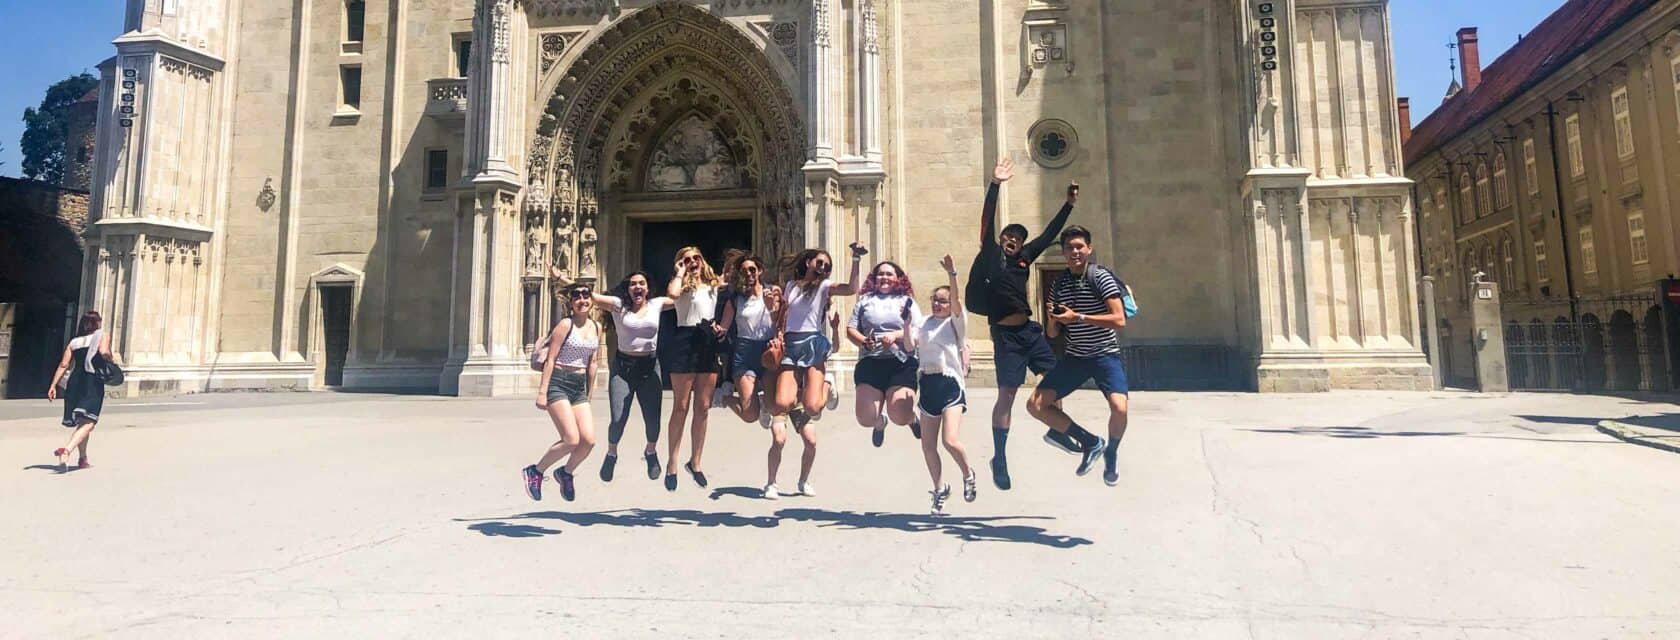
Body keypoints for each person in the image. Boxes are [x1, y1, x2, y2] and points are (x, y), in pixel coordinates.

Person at [963, 157, 1078, 491]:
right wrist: (995, 184)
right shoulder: (990, 255)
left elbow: (1050, 234)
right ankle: (999, 457)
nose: (1013, 240)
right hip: (1006, 336)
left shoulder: (1026, 257)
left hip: (1030, 330)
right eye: (1009, 236)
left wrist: (1068, 206)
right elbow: (987, 220)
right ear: (1000, 239)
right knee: (1008, 394)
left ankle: (1056, 430)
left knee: (1056, 379)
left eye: (1018, 237)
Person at [1027, 225, 1132, 485]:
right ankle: (1090, 442)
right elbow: (1052, 334)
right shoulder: (1059, 284)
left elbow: (1120, 320)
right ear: (1063, 252)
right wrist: (1054, 319)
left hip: (1105, 356)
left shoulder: (1101, 277)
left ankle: (1111, 454)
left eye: (1079, 247)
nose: (1074, 252)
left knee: (1120, 408)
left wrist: (1080, 317)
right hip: (1075, 357)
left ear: (1089, 249)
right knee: (1035, 405)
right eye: (1069, 248)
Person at [554, 267, 673, 484]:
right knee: (618, 418)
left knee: (653, 420)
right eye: (633, 284)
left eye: (641, 283)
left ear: (647, 288)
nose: (637, 287)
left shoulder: (657, 305)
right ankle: (611, 454)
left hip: (649, 368)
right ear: (627, 289)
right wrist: (560, 278)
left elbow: (684, 297)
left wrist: (710, 281)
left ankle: (650, 451)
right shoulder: (618, 306)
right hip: (623, 369)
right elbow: (589, 294)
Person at [765, 244, 864, 497]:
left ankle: (826, 385)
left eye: (827, 266)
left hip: (812, 342)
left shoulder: (824, 287)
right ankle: (773, 482)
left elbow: (852, 289)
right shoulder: (790, 286)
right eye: (819, 262)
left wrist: (855, 259)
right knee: (783, 401)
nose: (823, 267)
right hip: (790, 344)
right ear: (808, 262)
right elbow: (781, 318)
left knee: (812, 407)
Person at [902, 255, 977, 514]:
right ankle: (939, 490)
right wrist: (905, 325)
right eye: (935, 299)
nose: (937, 304)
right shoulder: (923, 323)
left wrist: (952, 274)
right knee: (927, 445)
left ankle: (968, 473)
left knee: (950, 440)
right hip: (928, 385)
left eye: (942, 301)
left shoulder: (955, 322)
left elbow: (957, 302)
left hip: (950, 384)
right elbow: (910, 346)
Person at [523, 283, 601, 502]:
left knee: (589, 440)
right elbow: (551, 359)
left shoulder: (596, 326)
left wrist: (589, 394)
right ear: (571, 302)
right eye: (577, 296)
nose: (582, 300)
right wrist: (542, 392)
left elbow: (593, 362)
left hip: (579, 386)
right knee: (571, 439)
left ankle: (565, 473)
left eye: (586, 295)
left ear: (592, 300)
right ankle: (535, 471)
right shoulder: (565, 325)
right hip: (559, 381)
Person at [662, 246, 724, 491]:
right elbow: (672, 294)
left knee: (704, 406)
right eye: (687, 259)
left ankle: (695, 462)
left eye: (696, 257)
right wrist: (679, 273)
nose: (693, 262)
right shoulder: (679, 286)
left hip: (706, 339)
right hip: (684, 340)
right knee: (681, 406)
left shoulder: (713, 285)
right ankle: (672, 462)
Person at [848, 260, 923, 447]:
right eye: (881, 274)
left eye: (889, 274)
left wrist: (896, 335)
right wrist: (864, 341)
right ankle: (880, 423)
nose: (885, 278)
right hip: (871, 361)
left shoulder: (907, 301)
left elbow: (919, 330)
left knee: (899, 414)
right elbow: (851, 329)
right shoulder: (865, 301)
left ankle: (912, 419)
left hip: (901, 361)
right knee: (866, 418)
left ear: (898, 279)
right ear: (874, 278)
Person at [47, 311, 114, 472]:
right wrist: (112, 361)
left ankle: (83, 459)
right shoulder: (102, 335)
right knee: (90, 422)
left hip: (75, 381)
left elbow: (64, 365)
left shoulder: (74, 342)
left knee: (83, 421)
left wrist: (53, 385)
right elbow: (104, 352)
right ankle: (67, 450)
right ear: (97, 323)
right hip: (91, 381)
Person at [717, 255, 776, 426]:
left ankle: (765, 400)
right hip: (744, 352)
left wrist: (772, 307)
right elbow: (724, 328)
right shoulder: (736, 300)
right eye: (744, 271)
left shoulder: (772, 292)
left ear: (760, 271)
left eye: (752, 269)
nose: (749, 274)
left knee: (776, 405)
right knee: (750, 415)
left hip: (768, 350)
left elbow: (781, 322)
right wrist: (718, 330)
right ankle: (725, 398)